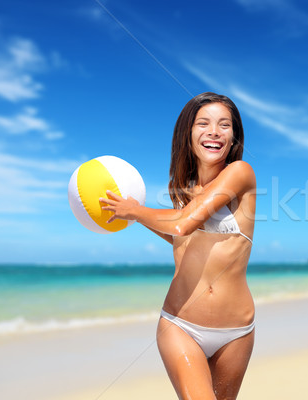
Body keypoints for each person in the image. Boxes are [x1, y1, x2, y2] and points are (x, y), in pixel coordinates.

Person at [100, 92, 256, 400]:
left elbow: (184, 222)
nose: (214, 131)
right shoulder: (183, 192)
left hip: (237, 332)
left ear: (234, 137)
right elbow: (180, 234)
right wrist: (138, 216)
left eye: (224, 125)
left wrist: (135, 211)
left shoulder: (240, 173)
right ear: (189, 133)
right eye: (203, 123)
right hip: (180, 325)